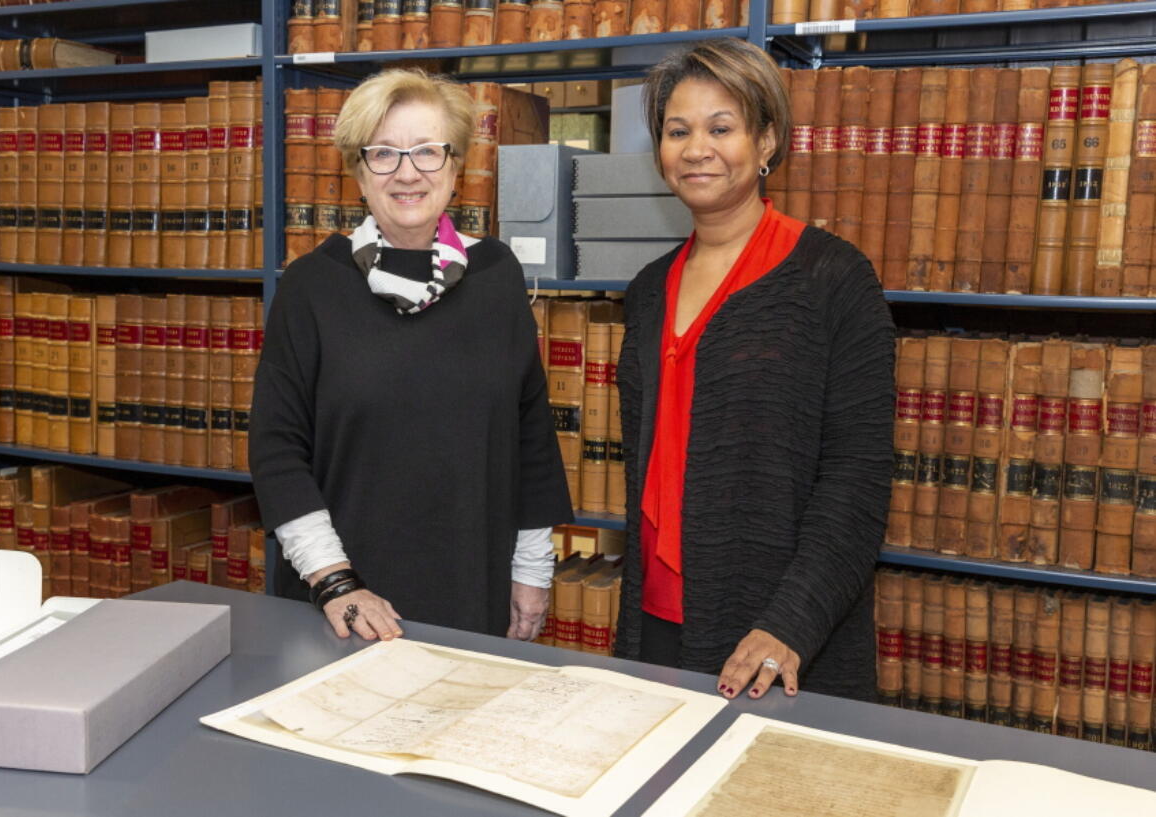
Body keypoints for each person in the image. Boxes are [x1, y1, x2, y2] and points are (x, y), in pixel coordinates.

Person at [613, 39, 895, 703]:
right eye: (677, 131)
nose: (696, 148)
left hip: (781, 635)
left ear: (766, 140)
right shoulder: (647, 289)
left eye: (722, 127)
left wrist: (789, 623)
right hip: (654, 618)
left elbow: (857, 478)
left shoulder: (834, 278)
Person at [250, 69, 572, 644]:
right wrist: (335, 582)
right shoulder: (310, 287)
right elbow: (276, 452)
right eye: (384, 153)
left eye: (427, 151)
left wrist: (530, 570)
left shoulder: (496, 276)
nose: (407, 172)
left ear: (456, 168)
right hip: (342, 606)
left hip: (474, 585)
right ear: (357, 171)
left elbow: (531, 435)